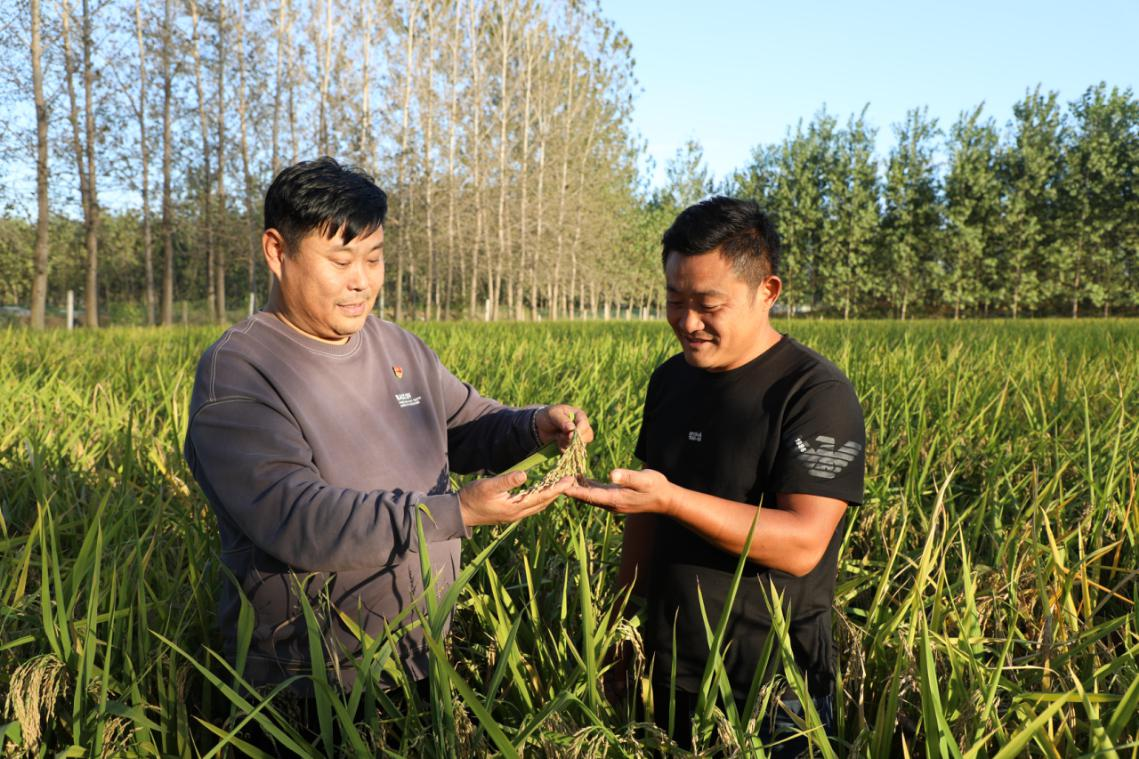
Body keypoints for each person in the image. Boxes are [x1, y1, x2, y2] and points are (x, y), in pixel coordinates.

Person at [183, 157, 592, 738]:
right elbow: (295, 518)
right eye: (341, 260)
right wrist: (458, 512)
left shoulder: (396, 345)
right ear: (277, 252)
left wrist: (532, 427)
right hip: (310, 681)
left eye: (373, 259)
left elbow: (464, 422)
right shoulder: (241, 371)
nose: (362, 281)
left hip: (421, 657)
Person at [568, 197, 864, 755]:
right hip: (667, 664)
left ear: (767, 292)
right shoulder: (670, 381)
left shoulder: (815, 395)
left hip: (773, 687)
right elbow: (643, 515)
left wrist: (673, 501)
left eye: (708, 304)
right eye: (674, 300)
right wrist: (614, 628)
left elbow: (802, 543)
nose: (687, 322)